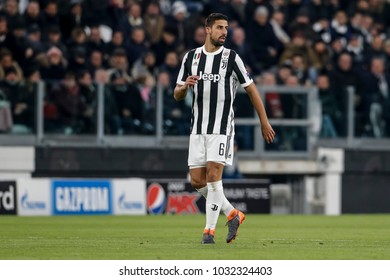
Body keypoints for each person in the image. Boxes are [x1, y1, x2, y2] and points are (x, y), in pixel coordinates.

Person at [174, 13, 275, 244]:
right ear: (207, 29)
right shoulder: (191, 57)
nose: (224, 32)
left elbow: (251, 89)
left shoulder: (232, 58)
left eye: (226, 28)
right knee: (197, 181)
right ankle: (233, 213)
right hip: (197, 129)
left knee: (213, 177)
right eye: (219, 27)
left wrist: (264, 121)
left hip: (221, 128)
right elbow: (177, 93)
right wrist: (184, 87)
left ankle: (208, 232)